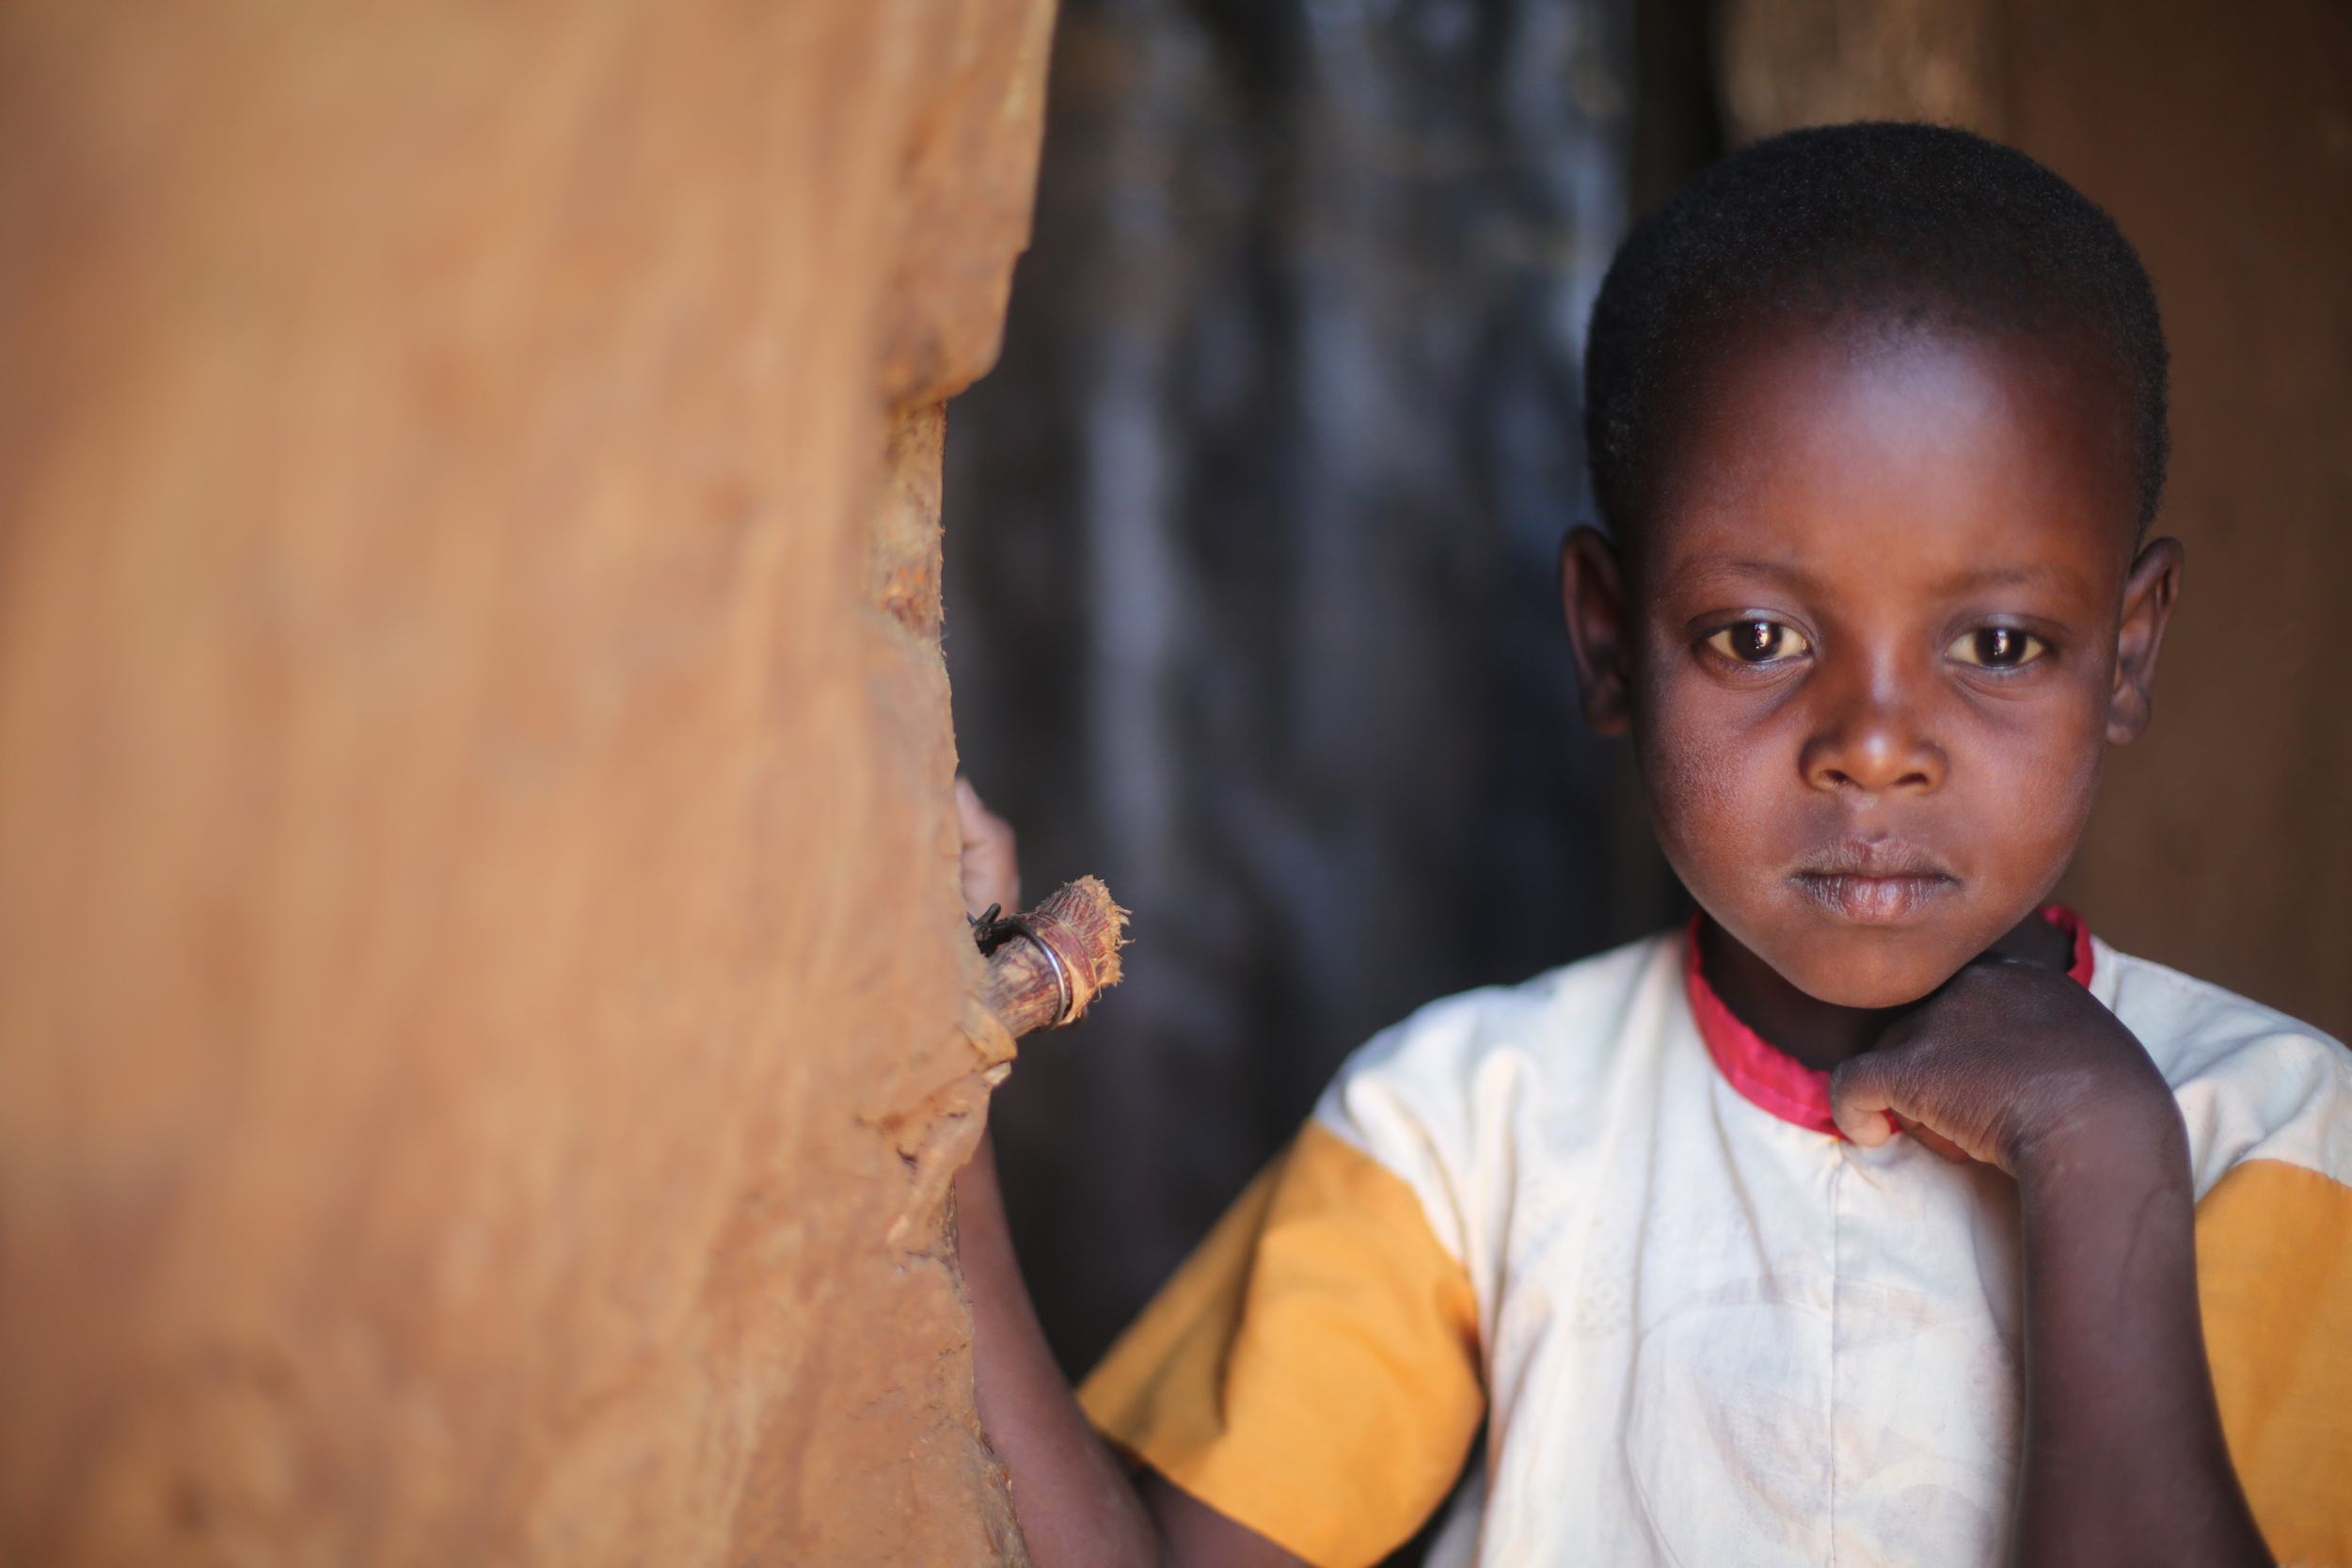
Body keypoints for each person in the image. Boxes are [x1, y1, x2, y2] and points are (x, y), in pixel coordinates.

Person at [949, 123, 2352, 1568]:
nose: (1874, 742)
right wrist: (944, 1147)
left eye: (1998, 643)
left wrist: (2102, 1155)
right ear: (1611, 645)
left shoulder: (2273, 1143)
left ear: (2127, 656)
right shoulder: (1470, 1132)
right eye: (1758, 637)